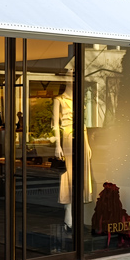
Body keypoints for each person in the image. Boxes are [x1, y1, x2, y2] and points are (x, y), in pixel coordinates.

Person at [52, 77, 93, 228]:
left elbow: (83, 123)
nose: (72, 78)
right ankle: (68, 212)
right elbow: (55, 124)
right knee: (68, 173)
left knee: (81, 173)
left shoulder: (79, 99)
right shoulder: (59, 100)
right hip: (68, 137)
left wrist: (87, 144)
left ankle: (77, 214)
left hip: (81, 137)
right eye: (69, 75)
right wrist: (57, 145)